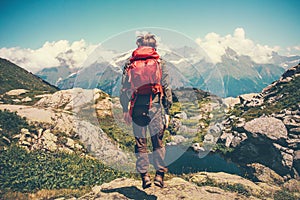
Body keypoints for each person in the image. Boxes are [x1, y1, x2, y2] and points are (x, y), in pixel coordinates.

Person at [120, 33, 172, 189]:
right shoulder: (160, 62)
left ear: (138, 46)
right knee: (157, 142)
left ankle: (145, 176)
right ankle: (160, 175)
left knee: (141, 143)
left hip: (137, 108)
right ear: (154, 46)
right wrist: (167, 111)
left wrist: (125, 108)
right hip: (155, 108)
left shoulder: (130, 63)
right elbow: (166, 88)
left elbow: (124, 89)